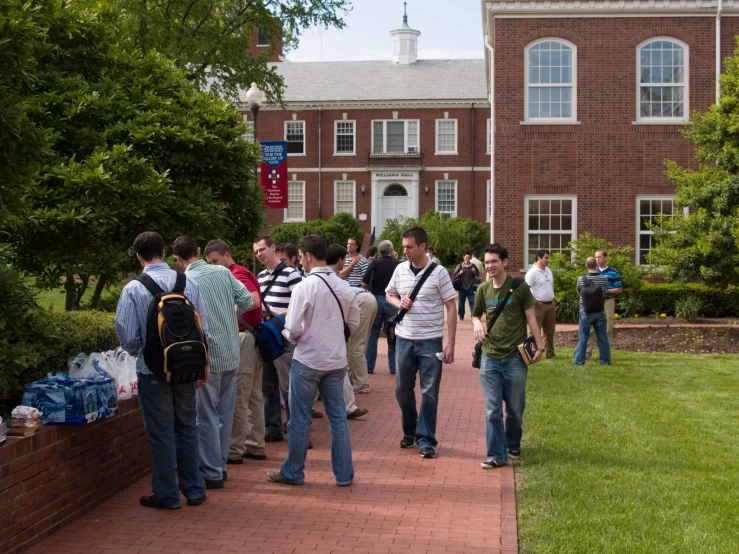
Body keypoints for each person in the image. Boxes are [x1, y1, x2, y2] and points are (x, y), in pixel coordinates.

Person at [115, 231, 210, 509]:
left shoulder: (133, 288)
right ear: (164, 252)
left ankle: (167, 495)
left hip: (153, 371)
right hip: (188, 368)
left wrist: (144, 354)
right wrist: (204, 365)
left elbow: (129, 338)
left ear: (138, 255)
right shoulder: (188, 282)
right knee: (187, 426)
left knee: (161, 432)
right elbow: (204, 328)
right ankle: (194, 489)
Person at [267, 235, 360, 486]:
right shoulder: (343, 285)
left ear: (308, 256)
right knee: (338, 418)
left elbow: (293, 328)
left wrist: (288, 335)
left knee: (299, 419)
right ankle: (344, 475)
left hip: (308, 359)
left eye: (301, 256)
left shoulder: (305, 287)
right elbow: (353, 322)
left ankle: (293, 471)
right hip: (335, 360)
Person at [173, 236, 254, 489]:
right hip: (231, 350)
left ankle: (211, 471)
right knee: (224, 412)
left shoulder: (186, 281)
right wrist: (226, 312)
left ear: (177, 258)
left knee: (206, 414)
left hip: (207, 356)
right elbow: (247, 301)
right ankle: (219, 464)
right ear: (198, 251)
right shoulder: (222, 271)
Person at [386, 227, 457, 459]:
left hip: (430, 341)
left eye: (409, 247)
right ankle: (410, 431)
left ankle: (426, 439)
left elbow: (451, 306)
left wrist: (451, 344)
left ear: (423, 247)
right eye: (403, 246)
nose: (404, 251)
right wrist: (398, 302)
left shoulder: (439, 273)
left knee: (429, 393)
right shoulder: (399, 269)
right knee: (402, 390)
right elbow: (389, 293)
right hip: (404, 339)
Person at [472, 243, 543, 469]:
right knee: (493, 409)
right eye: (487, 262)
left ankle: (512, 443)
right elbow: (475, 315)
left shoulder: (519, 287)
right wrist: (476, 325)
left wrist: (539, 347)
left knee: (515, 408)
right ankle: (496, 455)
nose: (489, 266)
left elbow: (531, 317)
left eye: (494, 261)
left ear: (505, 262)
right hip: (490, 357)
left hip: (515, 358)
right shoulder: (483, 289)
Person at [203, 240, 268, 463]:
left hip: (242, 338)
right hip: (250, 337)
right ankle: (255, 444)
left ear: (227, 255)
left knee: (241, 397)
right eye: (210, 262)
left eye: (216, 261)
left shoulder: (236, 273)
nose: (214, 266)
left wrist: (226, 314)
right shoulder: (238, 272)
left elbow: (253, 300)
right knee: (253, 395)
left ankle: (234, 450)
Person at [253, 236, 304, 442]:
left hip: (284, 336)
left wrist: (277, 315)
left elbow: (301, 304)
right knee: (268, 386)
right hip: (266, 336)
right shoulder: (260, 276)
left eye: (262, 249)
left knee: (288, 386)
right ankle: (273, 428)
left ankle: (298, 431)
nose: (260, 254)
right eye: (256, 252)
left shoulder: (292, 273)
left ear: (273, 248)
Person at [328, 243, 377, 396]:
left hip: (361, 300)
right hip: (364, 298)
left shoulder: (328, 273)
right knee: (356, 344)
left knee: (355, 345)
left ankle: (361, 383)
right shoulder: (331, 273)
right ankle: (353, 381)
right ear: (340, 259)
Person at [362, 240, 401, 375]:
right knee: (392, 333)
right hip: (393, 300)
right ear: (391, 251)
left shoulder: (374, 264)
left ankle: (369, 366)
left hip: (375, 299)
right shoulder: (398, 265)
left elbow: (364, 283)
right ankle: (394, 367)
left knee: (373, 333)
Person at [573, 257, 611, 366]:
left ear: (586, 266)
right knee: (603, 337)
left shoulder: (581, 279)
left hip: (585, 311)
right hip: (600, 311)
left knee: (583, 337)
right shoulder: (604, 279)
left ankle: (579, 361)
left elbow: (579, 292)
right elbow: (604, 291)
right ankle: (605, 361)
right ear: (597, 266)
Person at [586, 249, 623, 358]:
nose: (597, 259)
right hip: (594, 302)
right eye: (596, 257)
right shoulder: (593, 271)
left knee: (607, 327)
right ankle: (587, 354)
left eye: (599, 257)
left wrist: (606, 290)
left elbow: (619, 289)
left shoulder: (613, 272)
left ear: (605, 258)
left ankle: (604, 354)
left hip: (608, 301)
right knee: (591, 328)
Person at [525, 249, 557, 358]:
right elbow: (526, 289)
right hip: (538, 306)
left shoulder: (549, 271)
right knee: (535, 330)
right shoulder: (532, 272)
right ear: (539, 258)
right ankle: (532, 353)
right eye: (546, 258)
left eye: (548, 258)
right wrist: (535, 301)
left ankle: (550, 354)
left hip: (550, 305)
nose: (548, 260)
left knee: (550, 332)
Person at [454, 253, 480, 321]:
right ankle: (461, 315)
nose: (467, 258)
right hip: (462, 287)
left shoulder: (473, 266)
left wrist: (474, 272)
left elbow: (477, 274)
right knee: (461, 302)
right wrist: (459, 273)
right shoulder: (460, 266)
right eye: (466, 257)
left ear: (470, 258)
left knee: (472, 302)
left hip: (470, 286)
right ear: (464, 258)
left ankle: (473, 314)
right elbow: (455, 276)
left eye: (468, 257)